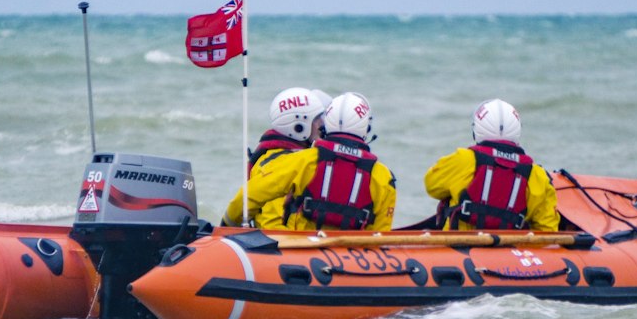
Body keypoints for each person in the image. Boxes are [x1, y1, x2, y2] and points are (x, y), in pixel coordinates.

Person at [238, 91, 397, 232]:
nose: (322, 126)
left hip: (302, 249)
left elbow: (249, 199)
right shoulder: (383, 177)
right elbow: (379, 236)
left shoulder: (302, 161)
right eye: (318, 120)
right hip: (329, 255)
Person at [424, 98, 559, 232]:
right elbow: (548, 228)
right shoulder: (537, 175)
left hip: (458, 246)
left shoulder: (463, 159)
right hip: (509, 249)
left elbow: (432, 185)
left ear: (476, 130)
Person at [222, 86, 328, 227]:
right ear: (298, 125)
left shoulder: (283, 155)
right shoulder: (280, 163)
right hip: (280, 243)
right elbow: (271, 223)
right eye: (317, 120)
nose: (322, 125)